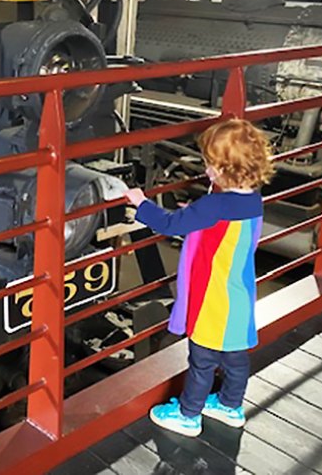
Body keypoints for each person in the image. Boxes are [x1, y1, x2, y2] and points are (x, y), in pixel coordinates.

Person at [125, 118, 274, 437]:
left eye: (210, 164)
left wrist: (141, 203)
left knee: (202, 360)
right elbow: (219, 226)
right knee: (235, 358)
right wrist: (196, 213)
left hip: (212, 299)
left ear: (224, 169)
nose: (207, 170)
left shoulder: (214, 204)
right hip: (240, 295)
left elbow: (170, 224)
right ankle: (230, 406)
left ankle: (188, 415)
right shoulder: (253, 199)